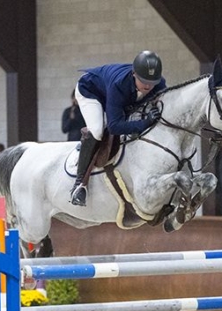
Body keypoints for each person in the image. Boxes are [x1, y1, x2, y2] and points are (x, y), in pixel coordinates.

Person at [71, 50, 167, 206]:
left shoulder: (158, 83)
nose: (148, 86)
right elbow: (114, 126)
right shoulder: (119, 84)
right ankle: (79, 185)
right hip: (90, 91)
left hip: (114, 96)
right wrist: (145, 123)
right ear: (134, 74)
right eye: (144, 81)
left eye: (152, 82)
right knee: (98, 130)